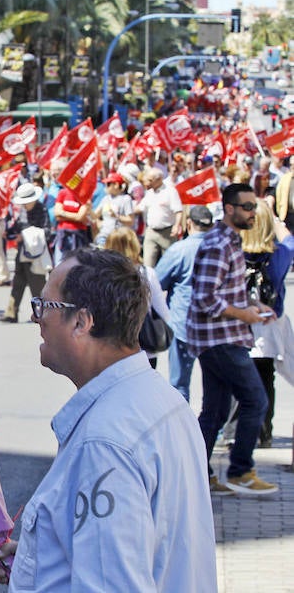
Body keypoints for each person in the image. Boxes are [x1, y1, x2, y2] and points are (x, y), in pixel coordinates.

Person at [0, 248, 216, 591]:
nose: (37, 318)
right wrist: (38, 562)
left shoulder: (105, 442)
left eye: (46, 306)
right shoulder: (160, 398)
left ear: (81, 321)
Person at [187, 183, 279, 496]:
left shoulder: (229, 241)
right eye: (247, 207)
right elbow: (205, 299)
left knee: (215, 411)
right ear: (229, 209)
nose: (253, 213)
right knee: (255, 400)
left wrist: (255, 306)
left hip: (221, 337)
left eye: (254, 206)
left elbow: (229, 292)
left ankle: (197, 472)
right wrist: (246, 316)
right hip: (219, 339)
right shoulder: (218, 244)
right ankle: (240, 471)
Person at [239, 199, 294, 447]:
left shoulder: (236, 252)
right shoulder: (279, 254)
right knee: (265, 378)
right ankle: (265, 432)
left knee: (240, 378)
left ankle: (239, 432)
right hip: (270, 323)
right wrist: (273, 217)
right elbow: (289, 240)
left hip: (241, 320)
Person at [154, 205, 215, 401]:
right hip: (214, 325)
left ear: (189, 224)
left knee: (179, 384)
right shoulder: (221, 249)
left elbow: (158, 281)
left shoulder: (179, 250)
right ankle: (216, 429)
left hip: (183, 323)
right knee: (217, 384)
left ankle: (183, 429)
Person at [103, 227, 171, 368]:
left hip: (110, 346)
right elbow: (162, 310)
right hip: (143, 345)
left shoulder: (102, 276)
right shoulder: (146, 274)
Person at [0, 183, 51, 323]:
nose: (23, 206)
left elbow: (47, 232)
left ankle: (42, 315)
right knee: (17, 283)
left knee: (37, 286)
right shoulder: (23, 211)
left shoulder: (42, 210)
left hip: (35, 255)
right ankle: (11, 312)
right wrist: (10, 233)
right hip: (22, 252)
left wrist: (27, 235)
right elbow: (18, 226)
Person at [136, 167, 183, 267]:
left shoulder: (170, 191)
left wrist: (176, 225)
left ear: (159, 179)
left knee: (168, 264)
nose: (147, 183)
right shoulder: (149, 193)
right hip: (151, 232)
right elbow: (140, 208)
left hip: (167, 233)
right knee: (148, 264)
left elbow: (178, 210)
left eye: (150, 180)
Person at [93, 172, 134, 247]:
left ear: (116, 185)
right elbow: (95, 215)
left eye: (108, 184)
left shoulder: (125, 199)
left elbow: (130, 221)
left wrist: (116, 216)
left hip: (118, 238)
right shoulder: (106, 199)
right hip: (104, 236)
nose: (106, 187)